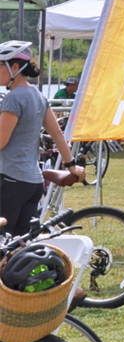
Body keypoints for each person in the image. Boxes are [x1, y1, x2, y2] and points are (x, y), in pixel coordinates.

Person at [0, 41, 85, 235]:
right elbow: (57, 134)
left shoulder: (13, 98)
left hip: (11, 181)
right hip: (33, 184)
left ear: (14, 67)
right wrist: (70, 164)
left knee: (4, 242)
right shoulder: (38, 95)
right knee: (20, 245)